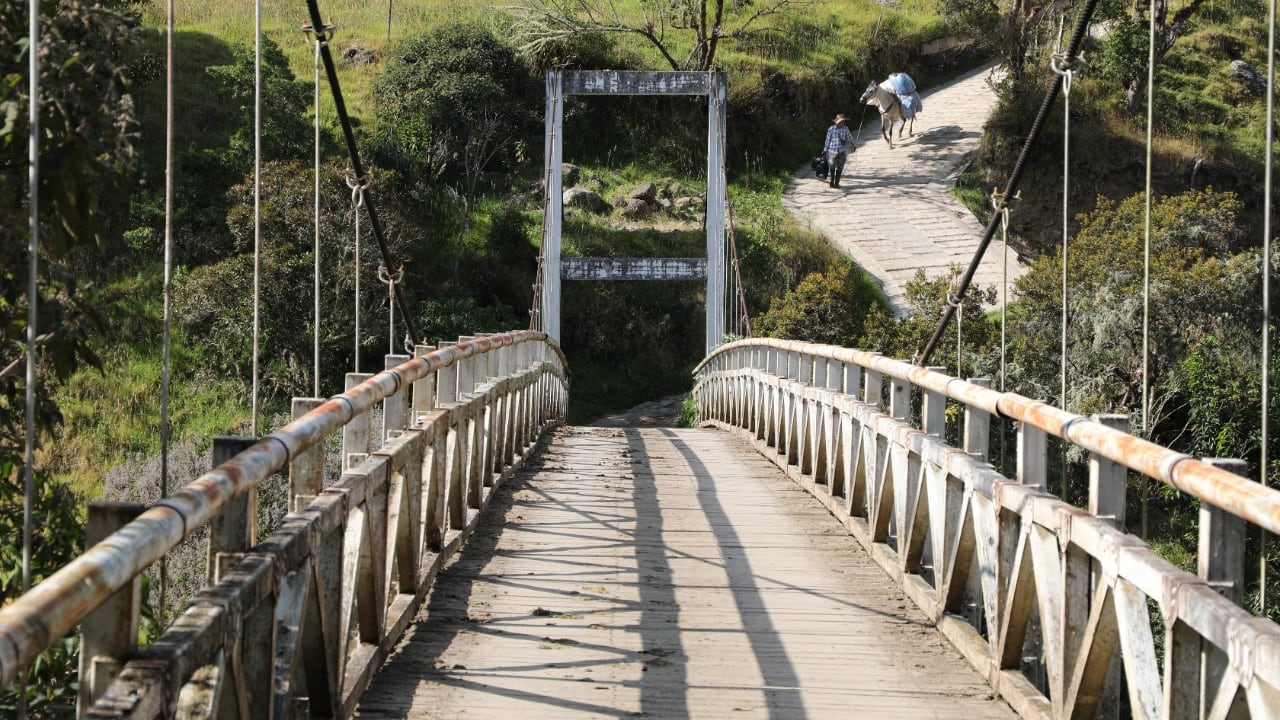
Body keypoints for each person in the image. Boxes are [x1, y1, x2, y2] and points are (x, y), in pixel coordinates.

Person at [823, 113, 854, 188]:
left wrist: (853, 145)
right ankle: (832, 182)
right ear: (837, 121)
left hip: (842, 151)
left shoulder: (845, 128)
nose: (842, 123)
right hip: (832, 151)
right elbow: (827, 140)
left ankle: (836, 183)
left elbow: (849, 137)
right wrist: (825, 149)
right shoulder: (831, 129)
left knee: (840, 167)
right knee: (832, 166)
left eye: (843, 121)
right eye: (841, 121)